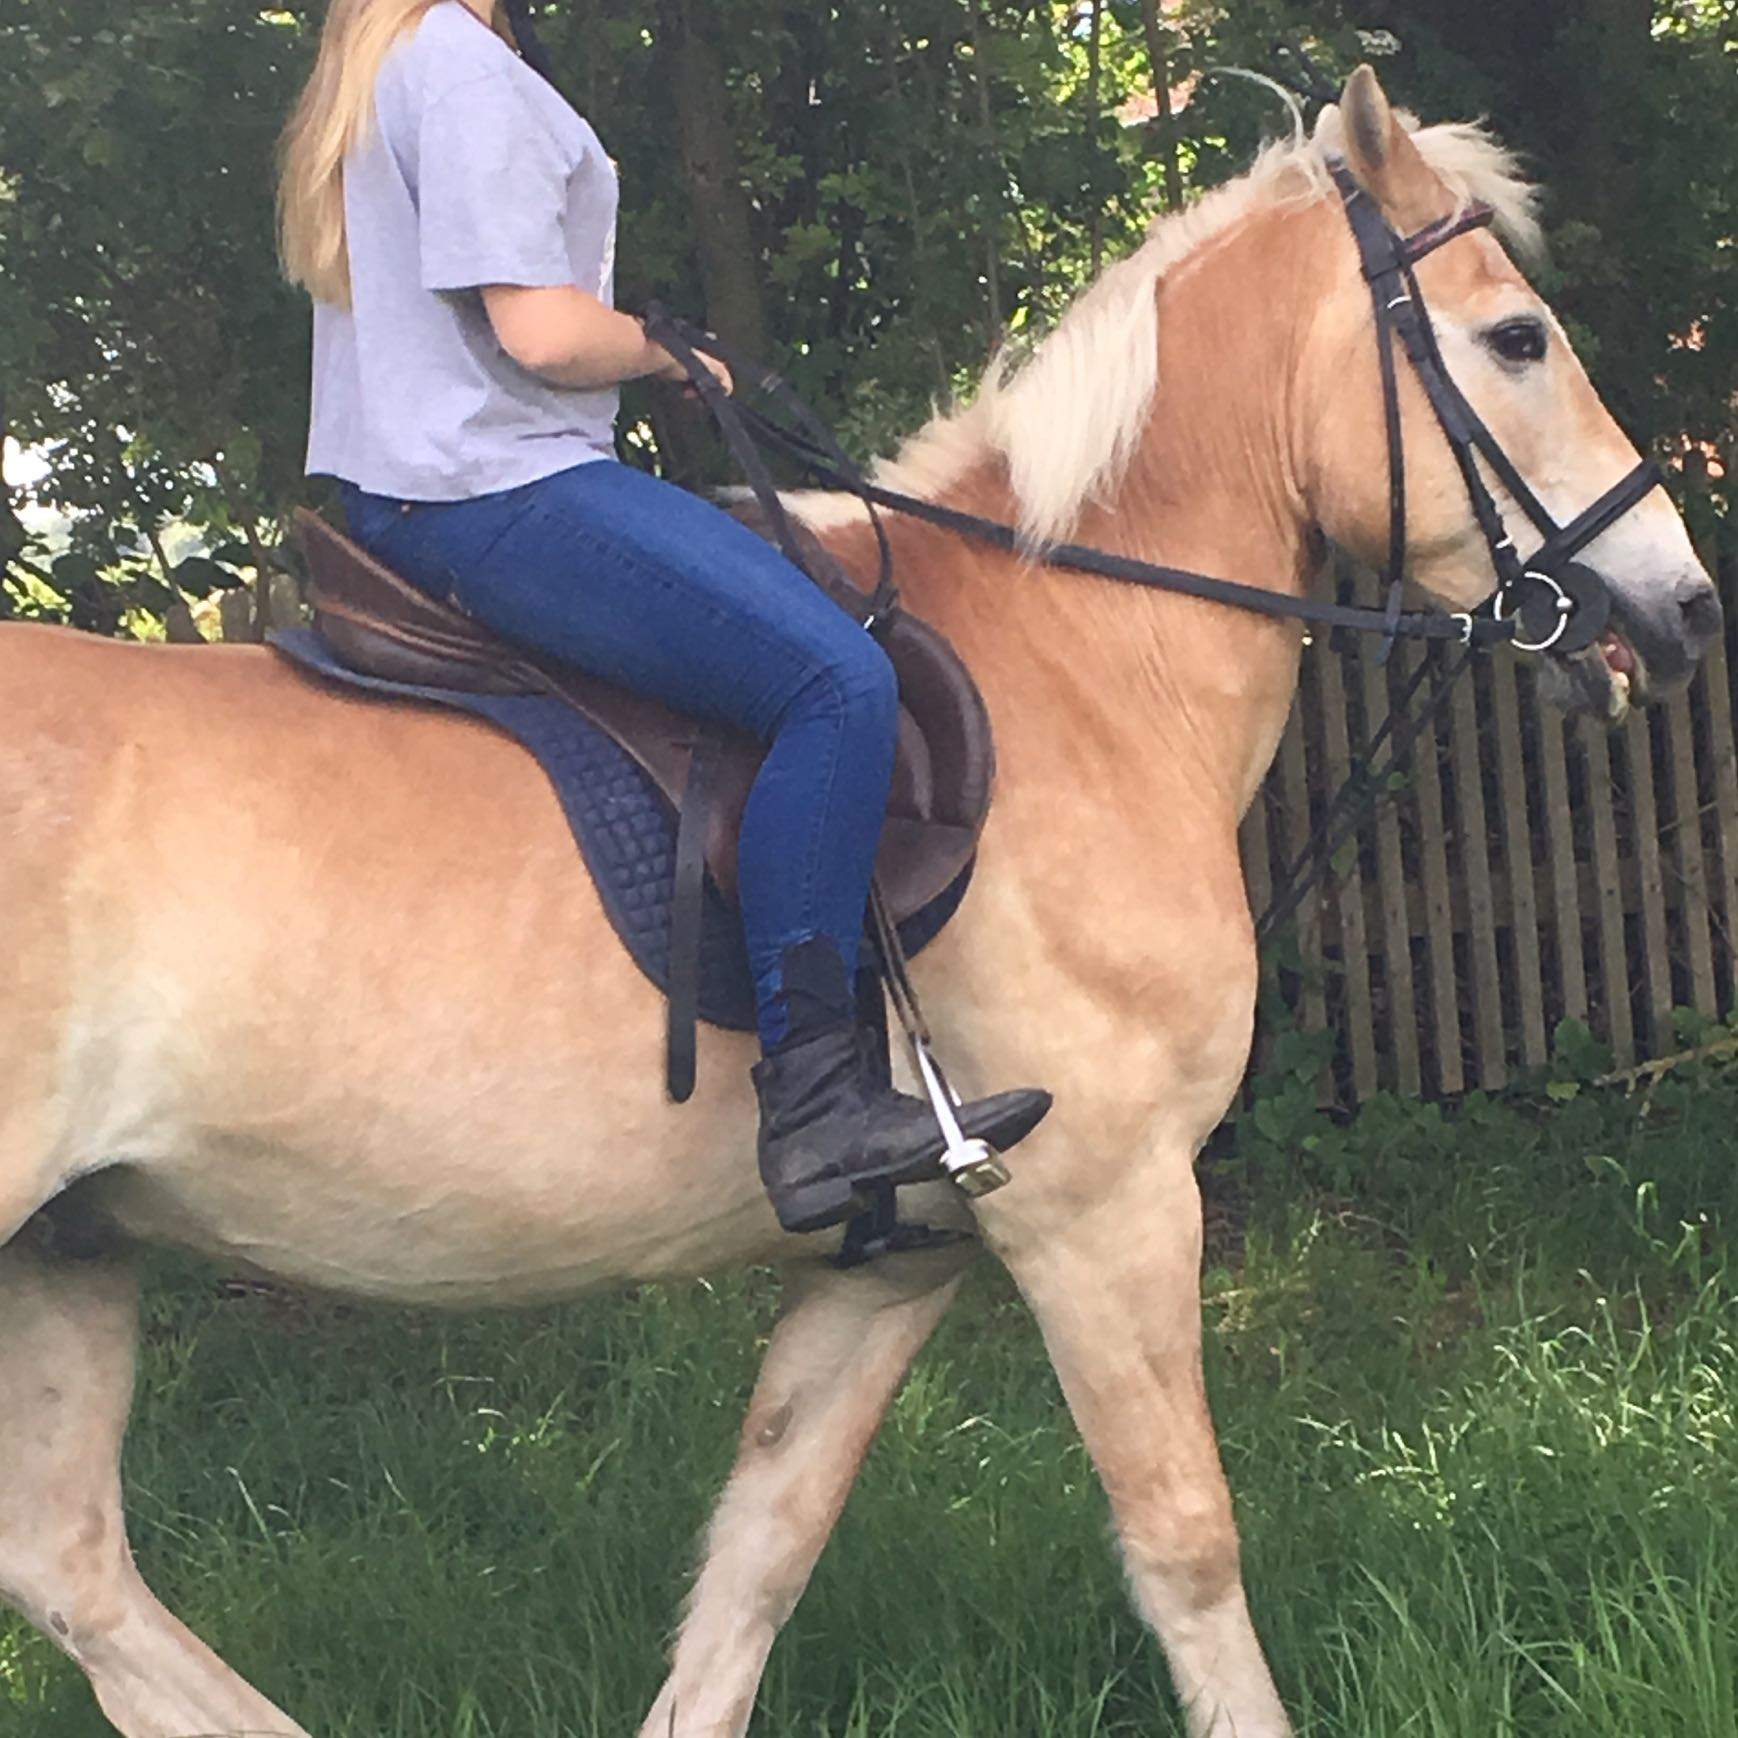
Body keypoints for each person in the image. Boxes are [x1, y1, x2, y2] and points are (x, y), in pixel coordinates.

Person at [276, 0, 1050, 1234]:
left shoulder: (392, 62)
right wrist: (667, 350)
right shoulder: (463, 66)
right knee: (836, 683)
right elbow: (540, 332)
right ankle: (815, 1104)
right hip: (498, 486)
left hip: (425, 485)